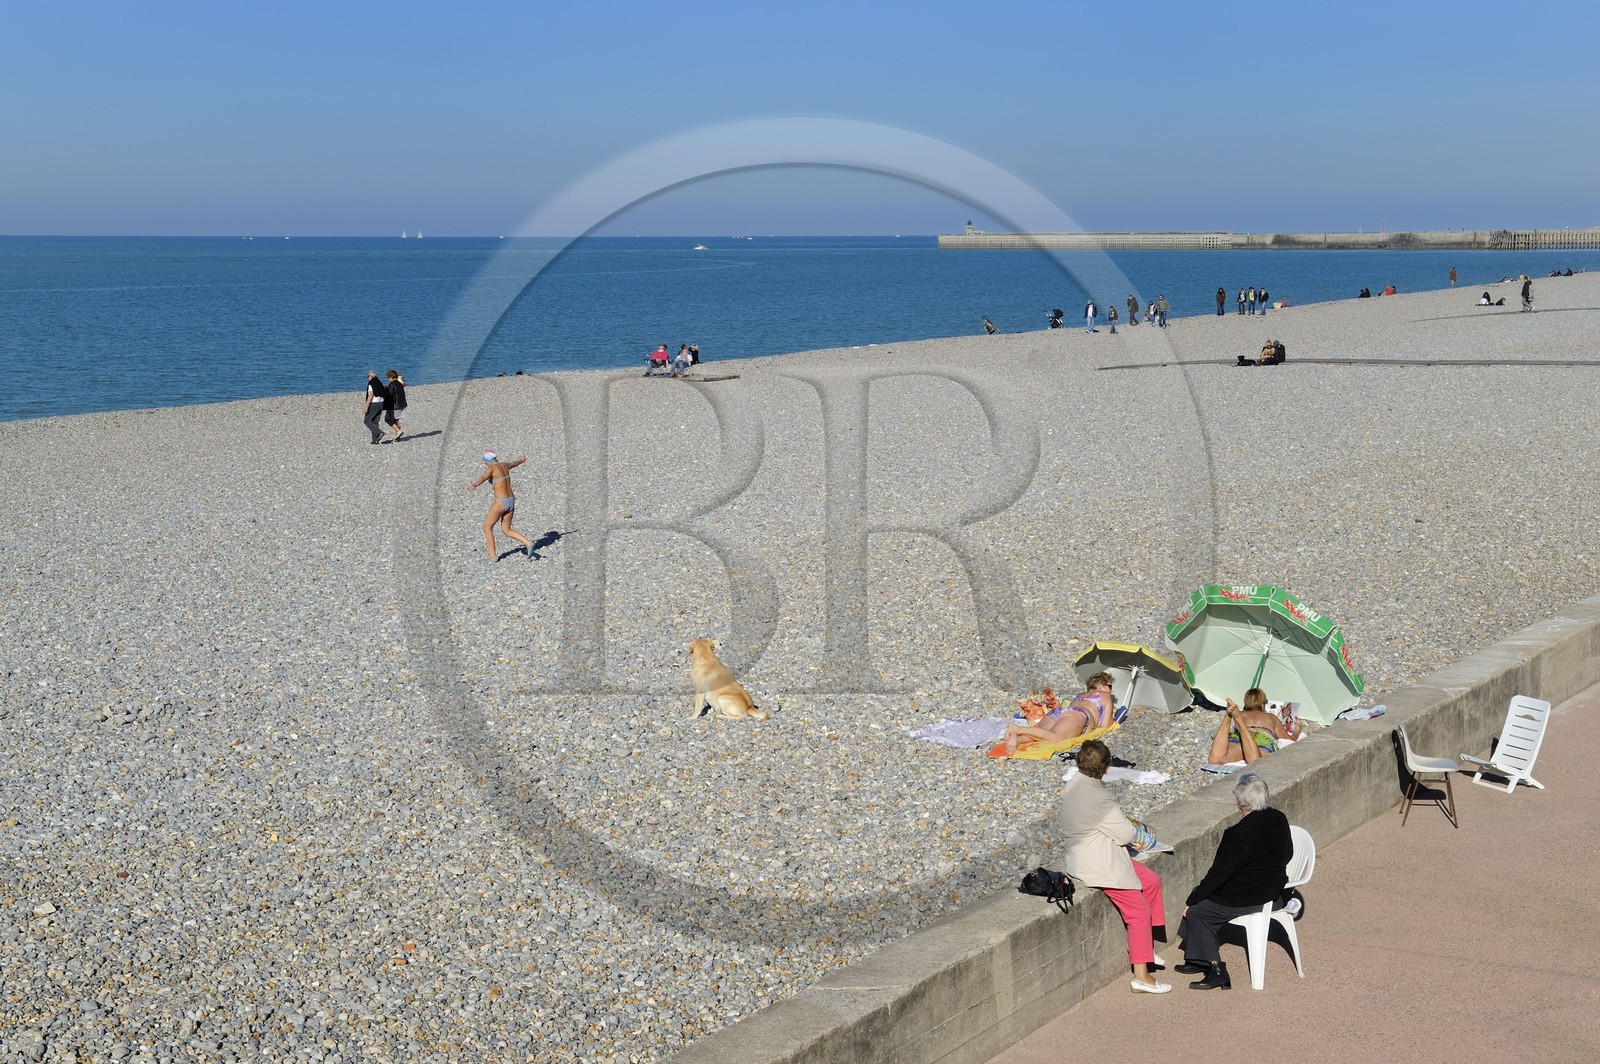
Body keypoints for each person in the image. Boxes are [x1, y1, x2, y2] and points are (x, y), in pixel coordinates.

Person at [1061, 740, 1171, 994]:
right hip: (1100, 864)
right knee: (1139, 912)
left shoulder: (1075, 784)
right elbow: (1124, 835)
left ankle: (1146, 948)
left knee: (1151, 881)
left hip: (1087, 854)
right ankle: (1141, 977)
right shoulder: (1100, 798)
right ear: (1106, 768)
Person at [1172, 772, 1293, 990]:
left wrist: (1192, 900)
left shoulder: (1238, 833)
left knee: (1197, 912)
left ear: (1240, 804)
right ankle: (1196, 956)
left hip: (1250, 896)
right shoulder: (1279, 818)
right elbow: (1288, 852)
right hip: (1273, 891)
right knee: (1200, 895)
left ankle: (1216, 969)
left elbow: (1219, 873)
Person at [1002, 673, 1116, 755]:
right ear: (1100, 686)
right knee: (1055, 738)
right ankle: (1017, 729)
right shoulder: (1104, 695)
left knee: (1039, 736)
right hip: (1078, 715)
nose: (1111, 691)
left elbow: (1070, 709)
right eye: (1109, 686)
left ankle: (1017, 740)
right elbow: (1105, 725)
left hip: (1059, 712)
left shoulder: (1081, 695)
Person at [468, 451, 534, 561]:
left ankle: (493, 556)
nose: (485, 465)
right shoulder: (504, 465)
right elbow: (513, 463)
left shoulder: (491, 469)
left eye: (485, 463)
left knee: (487, 527)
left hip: (500, 502)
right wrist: (521, 461)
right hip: (511, 501)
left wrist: (474, 485)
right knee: (506, 529)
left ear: (488, 462)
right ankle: (528, 542)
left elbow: (484, 477)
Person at [1206, 687, 1298, 766]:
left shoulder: (1241, 713)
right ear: (1263, 704)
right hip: (1262, 738)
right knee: (1256, 763)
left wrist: (1234, 716)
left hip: (1241, 738)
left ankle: (1228, 716)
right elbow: (1289, 739)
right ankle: (1241, 723)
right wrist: (1297, 731)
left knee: (1215, 759)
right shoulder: (1271, 717)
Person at [362, 371, 388, 445]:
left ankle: (379, 432)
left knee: (367, 421)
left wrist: (366, 406)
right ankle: (375, 440)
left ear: (370, 376)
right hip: (381, 403)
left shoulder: (371, 383)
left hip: (374, 403)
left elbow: (371, 394)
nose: (367, 378)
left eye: (367, 377)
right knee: (375, 421)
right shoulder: (379, 382)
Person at [383, 369, 407, 440]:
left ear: (390, 377)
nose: (388, 379)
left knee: (387, 419)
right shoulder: (400, 383)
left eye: (388, 378)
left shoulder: (392, 384)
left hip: (394, 406)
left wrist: (385, 390)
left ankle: (398, 431)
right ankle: (397, 436)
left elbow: (389, 395)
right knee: (396, 420)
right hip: (402, 404)